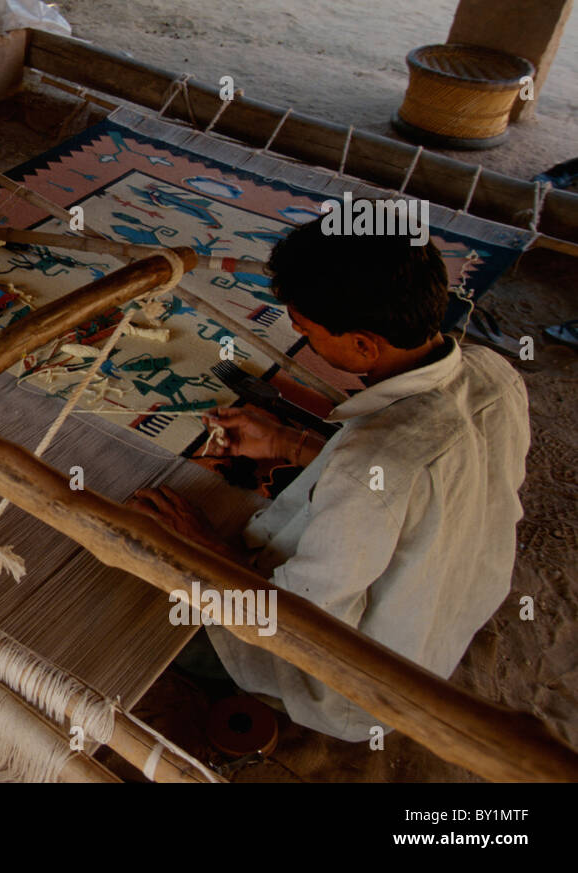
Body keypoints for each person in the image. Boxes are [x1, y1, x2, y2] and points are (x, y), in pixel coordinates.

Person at [129, 216, 530, 742]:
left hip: (357, 689)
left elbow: (294, 616)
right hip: (447, 616)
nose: (297, 333)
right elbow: (412, 482)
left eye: (308, 329)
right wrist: (286, 443)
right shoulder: (494, 373)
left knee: (139, 579)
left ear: (365, 345)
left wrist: (198, 542)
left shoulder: (371, 459)